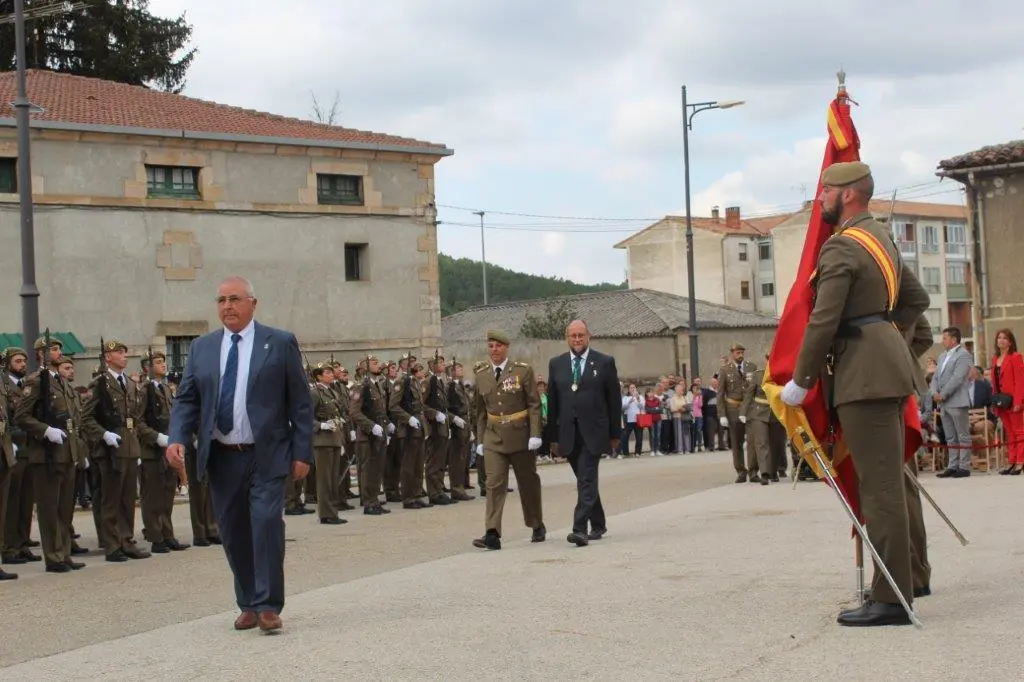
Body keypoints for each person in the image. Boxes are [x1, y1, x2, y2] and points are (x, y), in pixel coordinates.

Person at [780, 161, 930, 627]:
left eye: (825, 190)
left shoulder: (844, 247)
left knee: (879, 487)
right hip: (883, 370)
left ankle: (890, 599)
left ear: (846, 194)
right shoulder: (882, 238)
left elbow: (824, 320)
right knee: (886, 484)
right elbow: (916, 301)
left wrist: (800, 381)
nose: (819, 198)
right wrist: (884, 334)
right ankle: (899, 586)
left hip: (863, 379)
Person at [166, 276, 313, 633]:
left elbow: (301, 403)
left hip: (267, 454)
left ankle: (267, 605)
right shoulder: (202, 348)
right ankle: (247, 601)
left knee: (265, 524)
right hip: (222, 456)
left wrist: (302, 452)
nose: (227, 306)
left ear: (252, 303)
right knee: (232, 531)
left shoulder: (278, 343)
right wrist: (176, 437)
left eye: (234, 299)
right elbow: (187, 398)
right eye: (221, 300)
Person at [546, 320, 621, 546]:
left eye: (581, 335)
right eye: (573, 336)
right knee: (584, 479)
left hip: (595, 432)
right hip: (569, 432)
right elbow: (552, 402)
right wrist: (552, 437)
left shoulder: (605, 362)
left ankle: (579, 529)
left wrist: (615, 434)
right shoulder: (556, 364)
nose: (577, 340)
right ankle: (598, 523)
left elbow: (614, 401)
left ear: (589, 336)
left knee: (586, 478)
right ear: (567, 337)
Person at [471, 330, 545, 551]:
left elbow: (534, 404)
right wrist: (481, 438)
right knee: (494, 484)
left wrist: (535, 434)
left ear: (506, 347)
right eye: (491, 346)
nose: (494, 350)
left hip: (520, 436)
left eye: (498, 346)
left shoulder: (522, 371)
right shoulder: (481, 373)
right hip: (494, 436)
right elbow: (480, 410)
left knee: (527, 482)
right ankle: (492, 533)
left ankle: (536, 523)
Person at [931, 327, 973, 478]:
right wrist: (934, 392)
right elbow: (935, 377)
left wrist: (943, 394)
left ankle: (964, 466)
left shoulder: (964, 355)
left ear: (954, 339)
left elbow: (958, 377)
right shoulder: (942, 356)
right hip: (943, 403)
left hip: (956, 401)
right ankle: (952, 465)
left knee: (962, 435)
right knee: (950, 436)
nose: (942, 341)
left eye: (945, 338)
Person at [991, 329, 1024, 475]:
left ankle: (1020, 462)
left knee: (1019, 432)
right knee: (1009, 433)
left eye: (1005, 338)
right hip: (1001, 400)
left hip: (1013, 400)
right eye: (999, 338)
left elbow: (1020, 381)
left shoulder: (1015, 357)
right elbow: (994, 382)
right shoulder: (995, 358)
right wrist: (994, 401)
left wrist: (1018, 401)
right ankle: (1012, 461)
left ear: (1010, 342)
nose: (1001, 340)